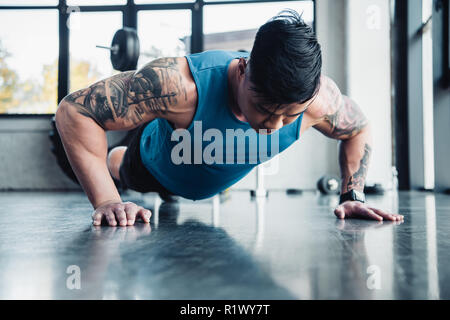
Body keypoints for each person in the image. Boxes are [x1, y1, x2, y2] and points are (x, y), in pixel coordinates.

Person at [55, 10, 404, 227]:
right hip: (154, 163)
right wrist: (107, 200)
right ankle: (123, 155)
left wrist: (352, 195)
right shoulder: (178, 85)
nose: (274, 125)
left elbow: (359, 127)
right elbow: (74, 110)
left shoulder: (319, 101)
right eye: (265, 109)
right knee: (125, 167)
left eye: (289, 116)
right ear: (242, 69)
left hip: (205, 173)